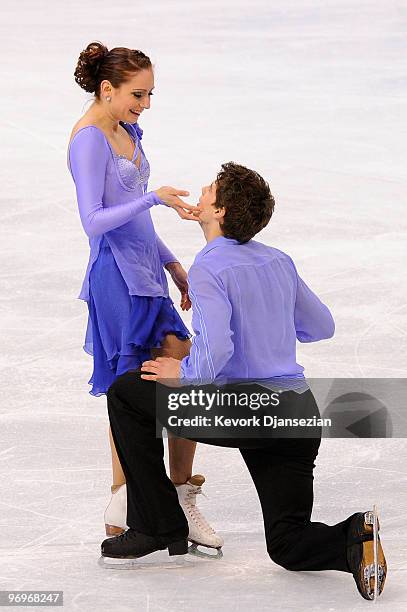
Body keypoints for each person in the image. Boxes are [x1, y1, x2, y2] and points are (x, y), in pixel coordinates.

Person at [102, 162, 387, 601]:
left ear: (220, 209)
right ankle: (354, 535)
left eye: (210, 188)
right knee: (287, 543)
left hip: (249, 412)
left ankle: (155, 524)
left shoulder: (210, 267)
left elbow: (215, 353)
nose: (202, 188)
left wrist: (184, 373)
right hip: (297, 414)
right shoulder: (278, 259)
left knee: (126, 393)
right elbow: (321, 326)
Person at [67, 41, 223, 551]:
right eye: (138, 94)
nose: (146, 104)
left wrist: (173, 264)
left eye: (150, 93)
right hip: (115, 278)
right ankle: (125, 500)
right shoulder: (88, 141)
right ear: (106, 88)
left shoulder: (127, 129)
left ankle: (178, 492)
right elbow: (94, 222)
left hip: (147, 274)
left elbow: (133, 215)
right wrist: (153, 198)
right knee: (128, 393)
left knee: (183, 373)